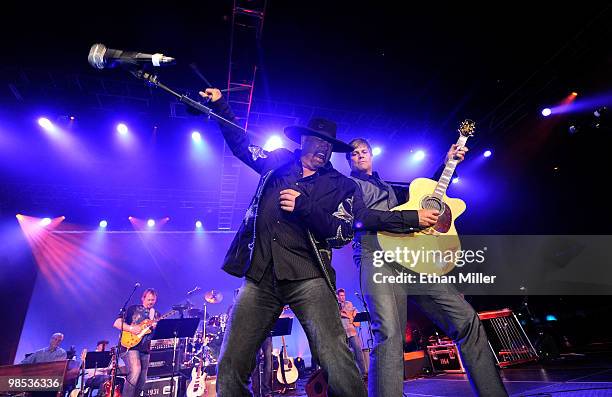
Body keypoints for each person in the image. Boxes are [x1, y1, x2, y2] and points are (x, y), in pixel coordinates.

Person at [199, 88, 367, 397]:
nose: (322, 149)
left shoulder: (342, 186)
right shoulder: (276, 162)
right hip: (260, 276)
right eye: (317, 141)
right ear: (302, 140)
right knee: (230, 366)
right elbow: (241, 144)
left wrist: (306, 207)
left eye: (328, 145)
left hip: (308, 276)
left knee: (336, 360)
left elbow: (342, 234)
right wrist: (221, 104)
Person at [346, 137, 508, 396]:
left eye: (364, 151)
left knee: (467, 320)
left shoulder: (387, 186)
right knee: (389, 334)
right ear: (349, 160)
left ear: (372, 154)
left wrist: (446, 165)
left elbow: (423, 197)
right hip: (375, 255)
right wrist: (412, 218)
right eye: (354, 153)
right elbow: (363, 218)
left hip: (410, 257)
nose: (359, 155)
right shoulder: (346, 185)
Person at [112, 288, 159, 397]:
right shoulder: (133, 309)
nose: (151, 302)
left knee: (142, 379)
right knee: (135, 370)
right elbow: (117, 323)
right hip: (129, 346)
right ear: (143, 298)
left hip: (145, 349)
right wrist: (132, 329)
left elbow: (155, 334)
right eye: (149, 299)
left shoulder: (155, 314)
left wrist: (156, 327)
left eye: (153, 300)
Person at [336, 288, 366, 377]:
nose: (343, 297)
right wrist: (347, 315)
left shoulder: (349, 303)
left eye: (343, 295)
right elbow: (338, 313)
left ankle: (363, 373)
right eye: (341, 295)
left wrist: (352, 315)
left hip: (352, 331)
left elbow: (354, 311)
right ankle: (349, 375)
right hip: (342, 333)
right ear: (337, 296)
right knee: (346, 354)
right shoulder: (335, 305)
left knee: (358, 351)